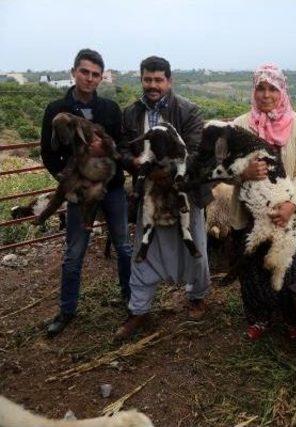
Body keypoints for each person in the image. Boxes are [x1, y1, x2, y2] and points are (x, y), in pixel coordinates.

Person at [115, 56, 210, 340]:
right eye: (147, 79)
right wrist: (135, 165)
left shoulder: (188, 111)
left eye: (158, 80)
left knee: (195, 247)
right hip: (149, 196)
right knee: (143, 252)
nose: (153, 85)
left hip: (184, 193)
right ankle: (139, 310)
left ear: (169, 80)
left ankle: (197, 296)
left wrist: (166, 174)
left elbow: (195, 152)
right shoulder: (131, 114)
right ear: (141, 80)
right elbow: (122, 150)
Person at [40, 49, 132, 338]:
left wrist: (110, 156)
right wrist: (68, 183)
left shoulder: (110, 109)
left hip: (112, 187)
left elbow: (121, 146)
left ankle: (131, 301)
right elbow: (48, 153)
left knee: (124, 246)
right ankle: (66, 310)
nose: (90, 78)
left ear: (101, 77)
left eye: (95, 74)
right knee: (74, 252)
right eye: (85, 72)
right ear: (74, 72)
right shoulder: (56, 109)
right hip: (80, 193)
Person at [230, 64, 296, 341]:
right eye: (260, 88)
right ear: (253, 90)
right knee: (254, 269)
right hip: (252, 214)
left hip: (288, 213)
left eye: (272, 89)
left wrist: (292, 204)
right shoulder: (240, 125)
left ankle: (292, 318)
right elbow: (224, 168)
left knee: (290, 267)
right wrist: (243, 174)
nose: (265, 95)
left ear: (282, 91)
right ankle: (259, 318)